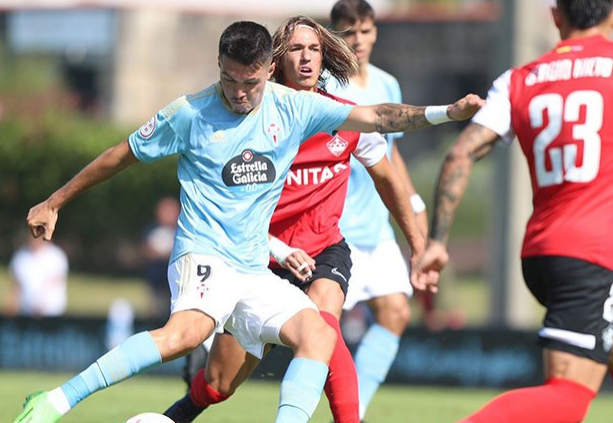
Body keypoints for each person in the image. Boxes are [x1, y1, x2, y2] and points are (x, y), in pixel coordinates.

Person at [12, 20, 481, 423]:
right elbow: (122, 155)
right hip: (205, 255)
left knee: (317, 334)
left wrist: (447, 114)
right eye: (229, 80)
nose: (238, 93)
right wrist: (56, 200)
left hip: (254, 268)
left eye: (250, 83)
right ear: (220, 66)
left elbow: (376, 116)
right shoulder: (189, 112)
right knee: (186, 335)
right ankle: (56, 399)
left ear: (268, 72)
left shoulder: (294, 107)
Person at [164, 15, 434, 423]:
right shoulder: (251, 118)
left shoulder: (344, 117)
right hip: (259, 261)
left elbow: (388, 180)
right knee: (219, 384)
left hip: (324, 250)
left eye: (313, 49)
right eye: (295, 49)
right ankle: (177, 414)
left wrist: (416, 244)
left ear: (324, 57)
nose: (306, 58)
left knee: (324, 329)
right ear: (275, 62)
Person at [418, 1, 613, 422]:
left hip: (544, 251)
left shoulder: (519, 80)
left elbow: (458, 156)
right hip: (593, 257)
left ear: (556, 15)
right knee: (568, 396)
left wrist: (436, 243)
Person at [325, 0, 432, 419]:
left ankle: (357, 408)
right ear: (333, 34)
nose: (359, 40)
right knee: (317, 328)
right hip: (336, 229)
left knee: (395, 313)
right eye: (349, 32)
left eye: (366, 31)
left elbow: (393, 157)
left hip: (376, 229)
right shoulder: (326, 88)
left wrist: (415, 204)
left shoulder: (388, 85)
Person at [3, 232, 68, 318]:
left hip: (52, 314)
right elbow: (16, 286)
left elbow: (54, 283)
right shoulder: (20, 257)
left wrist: (41, 304)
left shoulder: (56, 256)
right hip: (26, 313)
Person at [143, 196, 180, 319]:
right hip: (158, 284)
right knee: (157, 315)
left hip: (178, 284)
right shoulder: (153, 230)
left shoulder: (182, 231)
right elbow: (145, 251)